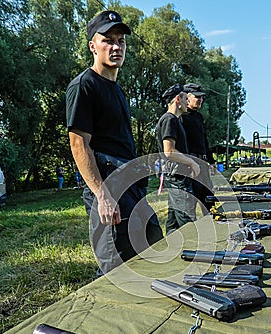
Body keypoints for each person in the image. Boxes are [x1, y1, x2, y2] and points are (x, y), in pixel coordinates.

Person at [66, 10, 163, 276]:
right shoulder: (84, 86)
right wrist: (102, 195)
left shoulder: (118, 91)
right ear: (92, 46)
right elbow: (78, 144)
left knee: (152, 242)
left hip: (129, 184)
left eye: (120, 40)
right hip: (108, 186)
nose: (116, 46)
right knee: (116, 267)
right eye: (108, 40)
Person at [156, 83, 200, 235]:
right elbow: (169, 151)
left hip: (175, 178)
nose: (188, 102)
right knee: (189, 225)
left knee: (173, 223)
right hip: (178, 178)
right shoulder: (170, 120)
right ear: (177, 99)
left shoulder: (172, 120)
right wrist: (192, 162)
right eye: (185, 99)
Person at [181, 83, 216, 215]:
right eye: (197, 97)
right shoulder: (181, 117)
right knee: (189, 204)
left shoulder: (199, 117)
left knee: (209, 200)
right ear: (187, 98)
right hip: (189, 165)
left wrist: (211, 161)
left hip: (203, 165)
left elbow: (204, 140)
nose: (200, 99)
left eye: (202, 97)